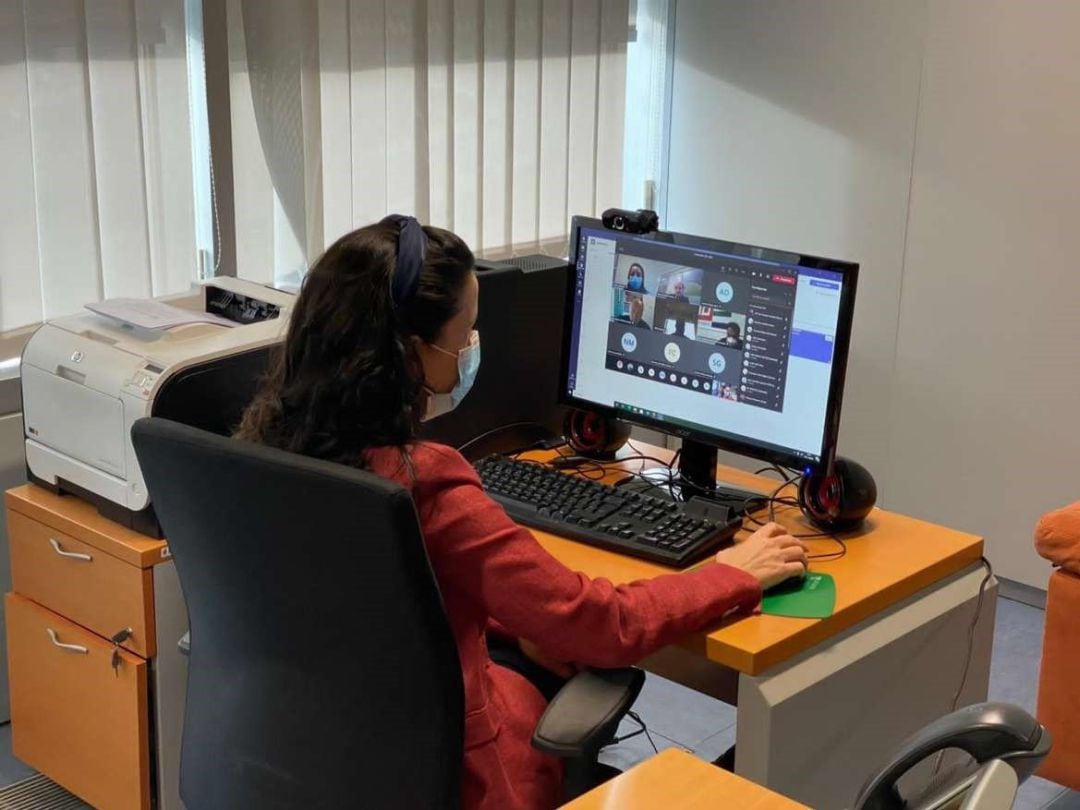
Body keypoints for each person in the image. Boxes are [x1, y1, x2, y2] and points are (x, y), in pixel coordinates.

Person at [236, 216, 807, 810]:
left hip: (319, 763)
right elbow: (605, 625)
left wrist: (518, 620)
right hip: (454, 778)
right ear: (410, 355)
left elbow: (395, 609)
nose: (470, 350)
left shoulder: (267, 455)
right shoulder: (423, 483)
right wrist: (733, 574)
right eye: (464, 335)